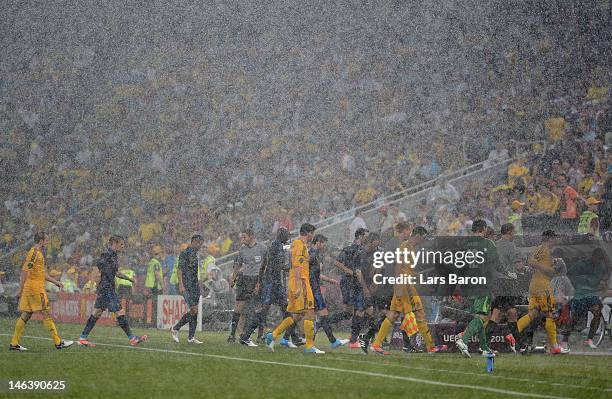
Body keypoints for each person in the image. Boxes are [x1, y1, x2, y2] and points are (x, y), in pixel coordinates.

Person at [369, 224, 442, 354]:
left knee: (394, 314)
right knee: (418, 313)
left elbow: (407, 269)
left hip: (406, 284)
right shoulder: (405, 246)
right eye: (423, 237)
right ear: (418, 235)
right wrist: (399, 285)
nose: (424, 240)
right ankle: (430, 346)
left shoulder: (411, 247)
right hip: (404, 285)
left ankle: (376, 344)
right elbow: (398, 266)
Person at [266, 223, 325, 354]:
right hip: (301, 282)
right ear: (308, 233)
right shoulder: (300, 245)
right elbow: (298, 266)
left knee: (296, 315)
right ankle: (309, 346)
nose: (313, 236)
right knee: (310, 312)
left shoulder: (298, 245)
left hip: (295, 282)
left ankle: (273, 335)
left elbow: (298, 263)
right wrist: (298, 286)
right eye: (312, 233)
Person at [77, 236, 147, 347]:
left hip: (107, 288)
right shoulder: (106, 255)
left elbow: (116, 273)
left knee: (97, 312)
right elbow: (97, 269)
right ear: (114, 243)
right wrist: (93, 283)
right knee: (119, 311)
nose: (123, 246)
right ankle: (132, 338)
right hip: (106, 288)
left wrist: (129, 279)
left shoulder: (113, 256)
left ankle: (82, 337)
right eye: (121, 244)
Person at [10, 231, 74, 351]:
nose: (48, 241)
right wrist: (20, 289)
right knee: (46, 313)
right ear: (40, 241)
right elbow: (24, 271)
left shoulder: (38, 253)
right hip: (35, 289)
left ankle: (14, 343)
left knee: (27, 314)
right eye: (46, 240)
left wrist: (56, 282)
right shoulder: (34, 253)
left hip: (32, 289)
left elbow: (41, 273)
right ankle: (58, 342)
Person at [239, 227, 297, 347]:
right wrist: (294, 267)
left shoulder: (274, 246)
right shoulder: (277, 247)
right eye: (287, 235)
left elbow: (265, 264)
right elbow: (278, 266)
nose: (288, 238)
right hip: (272, 284)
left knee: (285, 310)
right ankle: (246, 336)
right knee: (265, 311)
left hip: (272, 283)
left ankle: (290, 337)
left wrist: (260, 280)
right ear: (282, 235)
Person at [515, 230, 569, 354]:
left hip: (534, 286)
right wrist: (549, 270)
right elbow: (532, 262)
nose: (555, 241)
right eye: (554, 238)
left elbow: (532, 262)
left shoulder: (540, 250)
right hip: (543, 287)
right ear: (550, 239)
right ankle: (555, 347)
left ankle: (512, 336)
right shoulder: (544, 249)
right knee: (551, 315)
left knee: (532, 315)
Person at [455, 220, 496, 358]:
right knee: (483, 316)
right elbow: (495, 264)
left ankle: (484, 348)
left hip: (468, 285)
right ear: (484, 229)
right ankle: (463, 340)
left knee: (478, 317)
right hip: (482, 285)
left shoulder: (463, 245)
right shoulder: (488, 244)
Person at [227, 228, 268, 343]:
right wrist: (233, 278)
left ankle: (260, 336)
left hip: (256, 280)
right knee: (239, 306)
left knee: (258, 308)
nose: (242, 239)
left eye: (244, 237)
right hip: (244, 279)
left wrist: (260, 282)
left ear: (251, 236)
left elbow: (266, 265)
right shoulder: (242, 250)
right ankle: (232, 335)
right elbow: (237, 265)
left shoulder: (262, 248)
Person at [309, 234, 349, 349]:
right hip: (313, 289)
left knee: (321, 316)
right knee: (317, 315)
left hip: (314, 288)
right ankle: (286, 336)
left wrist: (330, 280)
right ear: (318, 242)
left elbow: (316, 274)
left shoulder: (316, 254)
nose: (325, 245)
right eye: (324, 243)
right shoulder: (312, 254)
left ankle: (332, 341)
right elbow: (307, 273)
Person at [331, 227, 368, 349]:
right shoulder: (352, 249)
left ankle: (322, 323)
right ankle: (353, 340)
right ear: (361, 236)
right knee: (359, 310)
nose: (367, 239)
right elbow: (337, 263)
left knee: (349, 313)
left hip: (351, 283)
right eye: (366, 236)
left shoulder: (358, 249)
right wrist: (351, 272)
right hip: (351, 283)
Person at [563, 248, 608, 349]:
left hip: (592, 294)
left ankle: (589, 339)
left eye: (601, 258)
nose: (599, 260)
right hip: (580, 294)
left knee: (597, 312)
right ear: (593, 255)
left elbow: (604, 278)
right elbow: (569, 274)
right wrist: (578, 283)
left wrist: (602, 284)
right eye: (598, 257)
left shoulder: (602, 266)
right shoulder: (581, 264)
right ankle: (565, 339)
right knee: (575, 319)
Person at [489, 223, 524, 352]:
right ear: (509, 231)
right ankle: (485, 344)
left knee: (511, 313)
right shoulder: (510, 245)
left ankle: (520, 344)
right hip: (505, 282)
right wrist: (525, 268)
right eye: (514, 232)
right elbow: (518, 265)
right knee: (498, 314)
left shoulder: (496, 244)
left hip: (496, 281)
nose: (514, 234)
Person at [170, 235, 205, 344]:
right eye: (199, 243)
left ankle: (191, 337)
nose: (200, 246)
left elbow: (195, 272)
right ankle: (175, 328)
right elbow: (179, 269)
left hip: (194, 285)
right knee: (194, 310)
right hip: (187, 285)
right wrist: (181, 284)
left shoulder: (195, 254)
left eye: (201, 243)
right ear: (193, 242)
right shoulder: (185, 253)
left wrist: (199, 284)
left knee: (194, 311)